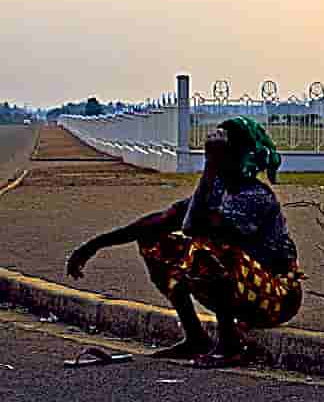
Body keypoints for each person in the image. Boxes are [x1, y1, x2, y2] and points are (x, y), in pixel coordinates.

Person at [66, 117, 302, 367]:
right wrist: (95, 245)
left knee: (207, 248)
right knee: (155, 241)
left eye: (222, 151)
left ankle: (230, 346)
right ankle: (195, 337)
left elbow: (194, 227)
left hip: (276, 297)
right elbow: (164, 220)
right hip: (244, 289)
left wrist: (209, 169)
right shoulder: (219, 188)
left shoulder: (255, 196)